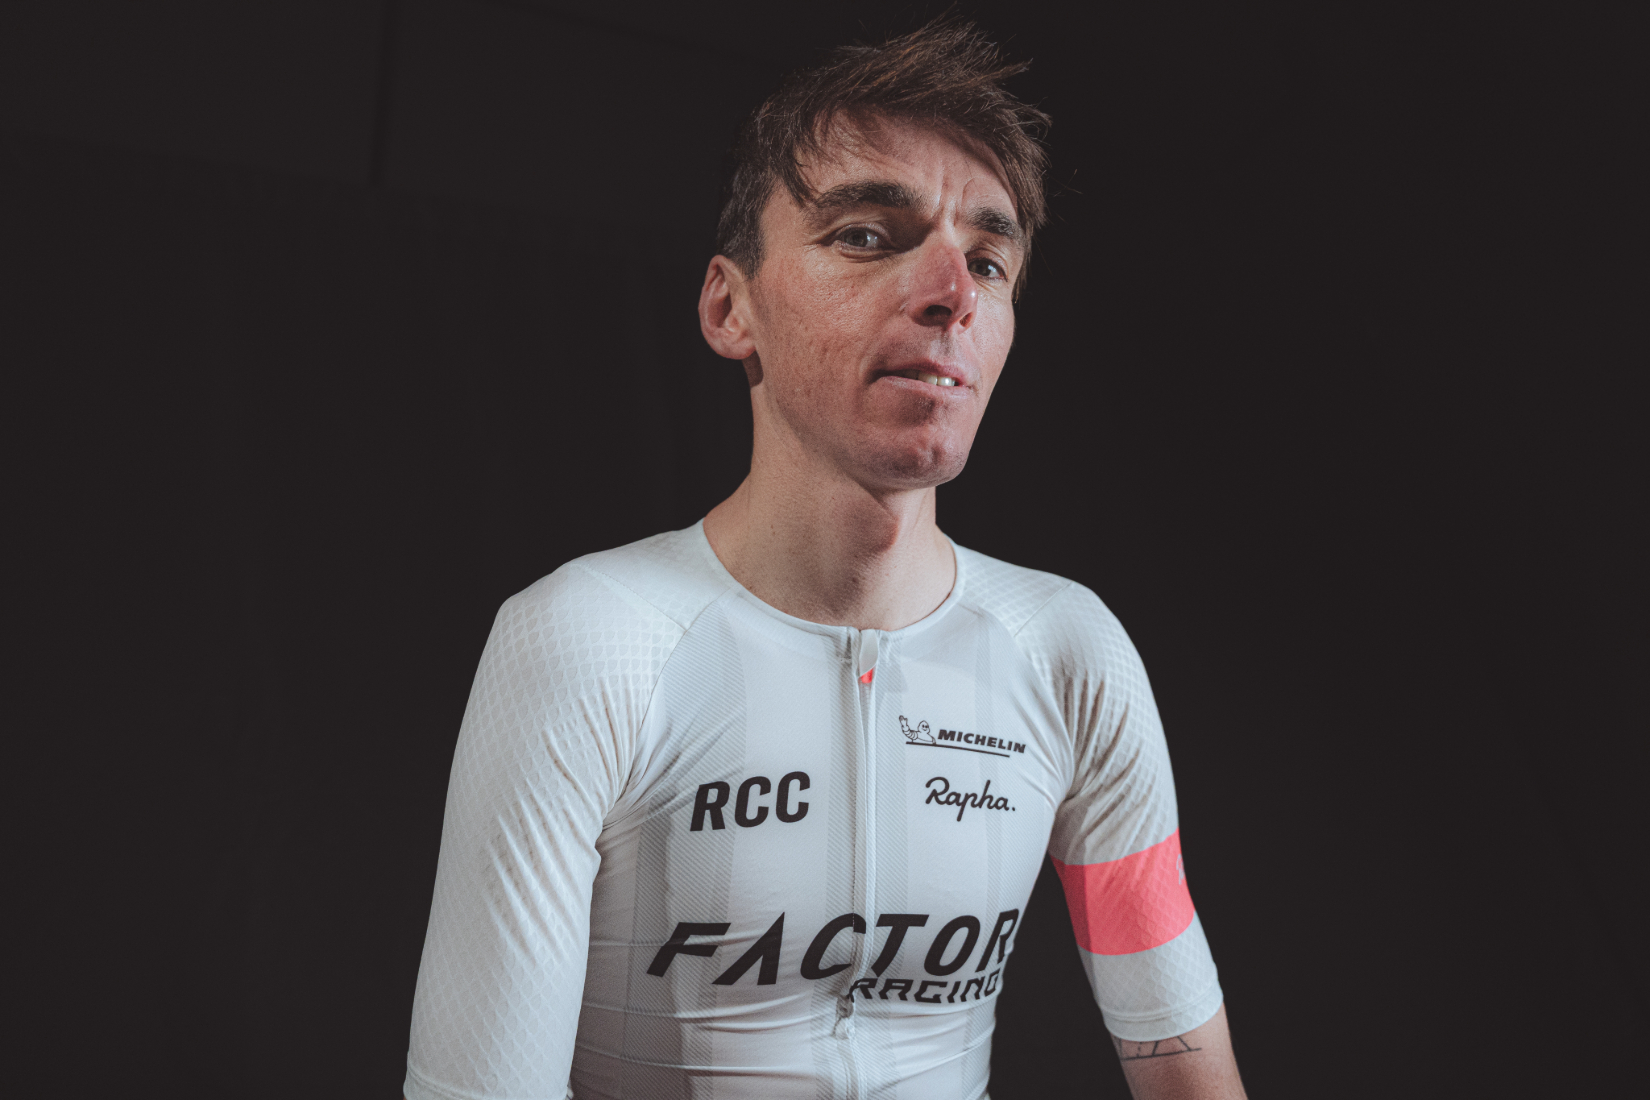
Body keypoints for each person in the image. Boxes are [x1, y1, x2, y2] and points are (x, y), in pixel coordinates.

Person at [404, 21, 1245, 1100]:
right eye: (866, 235)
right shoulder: (586, 640)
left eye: (989, 261)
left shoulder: (1070, 652)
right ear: (731, 307)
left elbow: (1187, 1073)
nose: (953, 290)